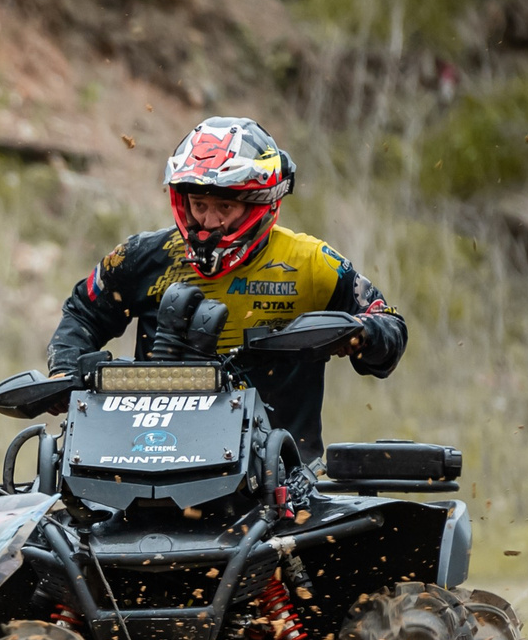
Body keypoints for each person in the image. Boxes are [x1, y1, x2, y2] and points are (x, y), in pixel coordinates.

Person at [47, 117, 406, 456]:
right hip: (153, 459)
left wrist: (360, 334)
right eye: (199, 204)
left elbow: (390, 325)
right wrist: (65, 371)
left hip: (280, 476)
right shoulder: (145, 255)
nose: (208, 221)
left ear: (260, 203)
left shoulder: (313, 263)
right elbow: (83, 313)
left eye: (224, 205)